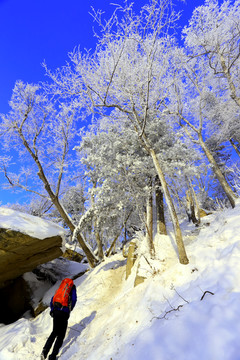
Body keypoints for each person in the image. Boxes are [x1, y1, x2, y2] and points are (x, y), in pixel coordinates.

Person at [41, 278, 77, 360]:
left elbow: (52, 299)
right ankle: (53, 356)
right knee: (61, 336)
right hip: (64, 313)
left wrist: (53, 310)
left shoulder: (61, 288)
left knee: (54, 332)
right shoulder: (72, 288)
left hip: (56, 312)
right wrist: (69, 309)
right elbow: (74, 299)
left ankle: (44, 351)